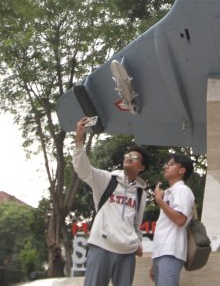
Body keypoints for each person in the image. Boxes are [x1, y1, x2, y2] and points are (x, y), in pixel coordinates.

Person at [73, 117, 149, 286]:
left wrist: (137, 242)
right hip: (102, 246)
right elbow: (83, 169)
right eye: (128, 155)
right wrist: (79, 140)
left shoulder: (140, 193)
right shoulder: (107, 180)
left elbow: (137, 223)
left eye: (134, 157)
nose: (128, 157)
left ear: (142, 167)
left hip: (127, 252)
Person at [150, 153, 195, 286]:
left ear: (181, 170)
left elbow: (181, 219)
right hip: (162, 252)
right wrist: (154, 262)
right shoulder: (171, 192)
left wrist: (159, 200)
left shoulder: (182, 190)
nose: (166, 167)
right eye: (167, 164)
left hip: (171, 251)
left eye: (171, 164)